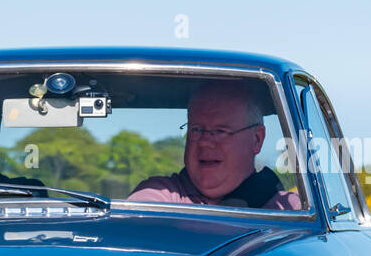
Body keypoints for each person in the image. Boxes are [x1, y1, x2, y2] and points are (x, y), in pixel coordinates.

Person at [127, 81, 301, 209]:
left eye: (220, 131)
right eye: (196, 129)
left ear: (257, 140)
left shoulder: (287, 210)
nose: (204, 142)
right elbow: (133, 226)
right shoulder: (159, 196)